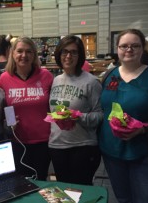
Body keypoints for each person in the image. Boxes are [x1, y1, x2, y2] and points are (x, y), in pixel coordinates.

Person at [99, 29, 148, 203]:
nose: (129, 50)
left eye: (135, 46)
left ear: (143, 48)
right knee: (123, 199)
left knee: (146, 199)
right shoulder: (109, 76)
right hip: (112, 153)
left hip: (146, 154)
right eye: (124, 46)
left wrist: (144, 129)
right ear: (117, 49)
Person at [0, 36, 53, 180]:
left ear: (34, 55)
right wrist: (10, 125)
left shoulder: (46, 76)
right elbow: (6, 107)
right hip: (17, 141)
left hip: (43, 141)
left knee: (40, 181)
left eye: (29, 52)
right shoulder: (4, 78)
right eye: (20, 51)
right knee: (19, 183)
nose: (24, 55)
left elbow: (52, 107)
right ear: (13, 54)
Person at [48, 35, 102, 185]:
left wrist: (78, 117)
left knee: (81, 192)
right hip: (57, 146)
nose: (68, 56)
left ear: (80, 56)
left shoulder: (91, 82)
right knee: (64, 192)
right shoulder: (56, 80)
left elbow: (100, 115)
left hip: (82, 147)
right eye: (64, 51)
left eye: (74, 52)